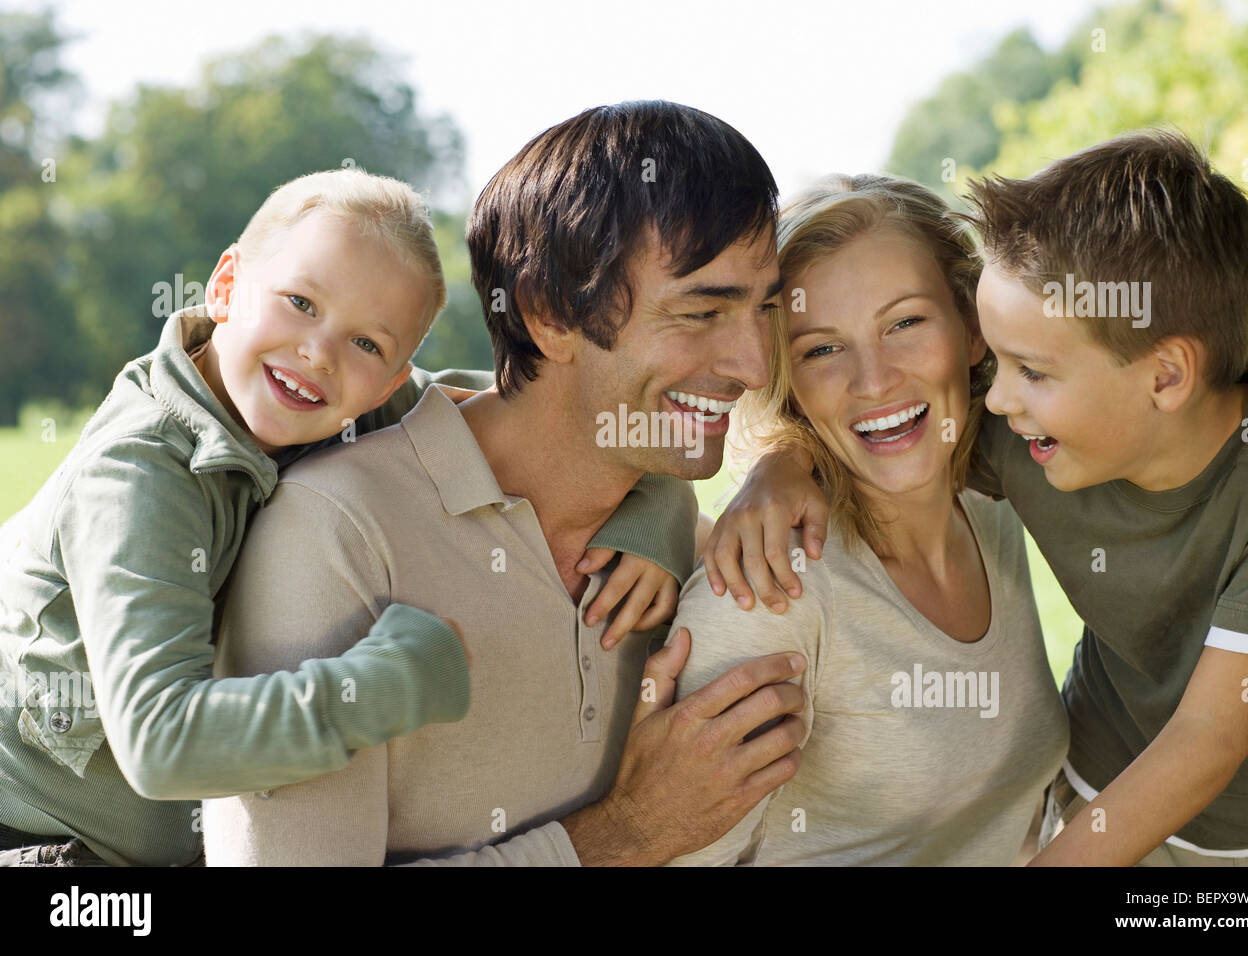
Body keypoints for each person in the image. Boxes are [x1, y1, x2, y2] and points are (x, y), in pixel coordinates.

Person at [0, 168, 689, 867]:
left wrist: (654, 508)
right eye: (300, 302)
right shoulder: (141, 475)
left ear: (392, 382)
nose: (319, 352)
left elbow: (551, 417)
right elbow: (160, 743)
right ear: (227, 287)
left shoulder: (341, 400)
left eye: (367, 344)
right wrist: (387, 684)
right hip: (40, 845)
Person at [201, 100, 807, 867]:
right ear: (548, 312)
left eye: (766, 308)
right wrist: (631, 834)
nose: (755, 366)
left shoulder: (690, 549)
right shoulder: (335, 534)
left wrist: (794, 462)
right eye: (699, 312)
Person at [702, 131, 1248, 866]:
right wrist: (779, 461)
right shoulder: (1018, 422)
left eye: (907, 323)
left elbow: (1209, 735)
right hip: (1098, 792)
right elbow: (874, 422)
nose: (1001, 401)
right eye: (821, 347)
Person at [663, 174, 1067, 866]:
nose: (873, 380)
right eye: (822, 349)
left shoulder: (992, 508)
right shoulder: (767, 589)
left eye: (905, 323)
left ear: (973, 329)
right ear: (785, 375)